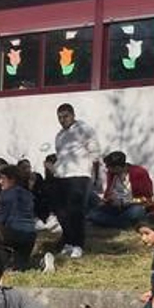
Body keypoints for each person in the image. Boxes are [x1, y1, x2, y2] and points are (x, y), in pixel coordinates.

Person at [52, 103, 101, 260]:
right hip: (61, 175)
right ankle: (68, 241)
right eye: (59, 117)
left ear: (73, 115)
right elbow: (60, 155)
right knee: (61, 211)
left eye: (65, 116)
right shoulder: (59, 135)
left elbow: (94, 152)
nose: (62, 120)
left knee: (76, 212)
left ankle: (78, 244)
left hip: (79, 174)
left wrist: (95, 175)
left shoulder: (84, 129)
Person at [89, 151, 154, 228]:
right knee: (94, 213)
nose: (107, 169)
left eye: (109, 167)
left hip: (133, 206)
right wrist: (108, 200)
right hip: (115, 207)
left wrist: (125, 202)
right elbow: (109, 192)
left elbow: (147, 198)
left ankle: (113, 222)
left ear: (117, 167)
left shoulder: (139, 173)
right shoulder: (112, 174)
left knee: (137, 212)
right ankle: (123, 223)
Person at [0, 165, 38, 269]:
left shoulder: (6, 194)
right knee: (21, 265)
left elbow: (0, 218)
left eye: (2, 178)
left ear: (12, 179)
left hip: (13, 232)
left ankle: (1, 263)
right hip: (30, 234)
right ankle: (40, 264)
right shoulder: (28, 194)